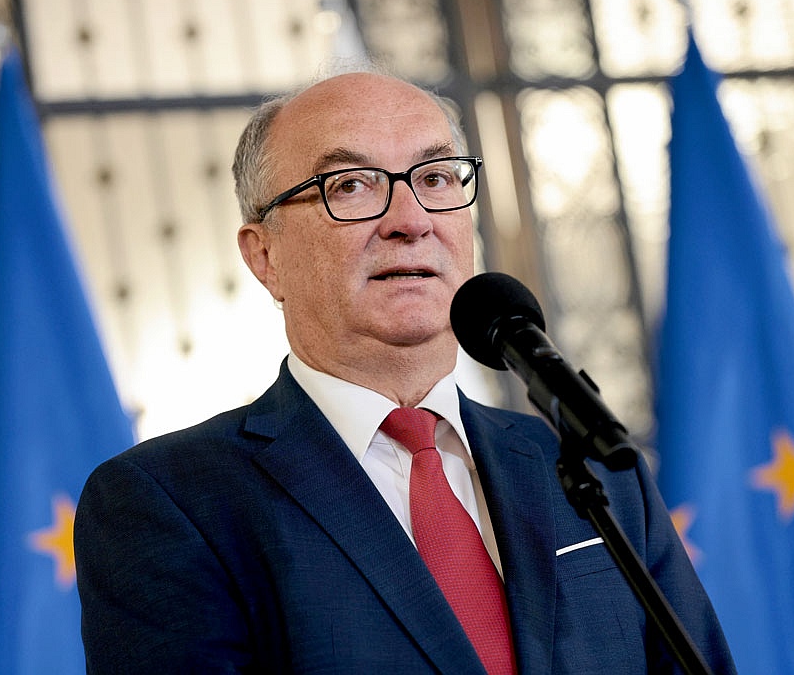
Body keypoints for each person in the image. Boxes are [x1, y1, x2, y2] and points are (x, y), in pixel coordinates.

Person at [74, 70, 736, 674]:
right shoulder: (170, 502)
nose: (411, 220)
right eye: (350, 185)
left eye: (436, 178)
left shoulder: (593, 471)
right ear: (265, 255)